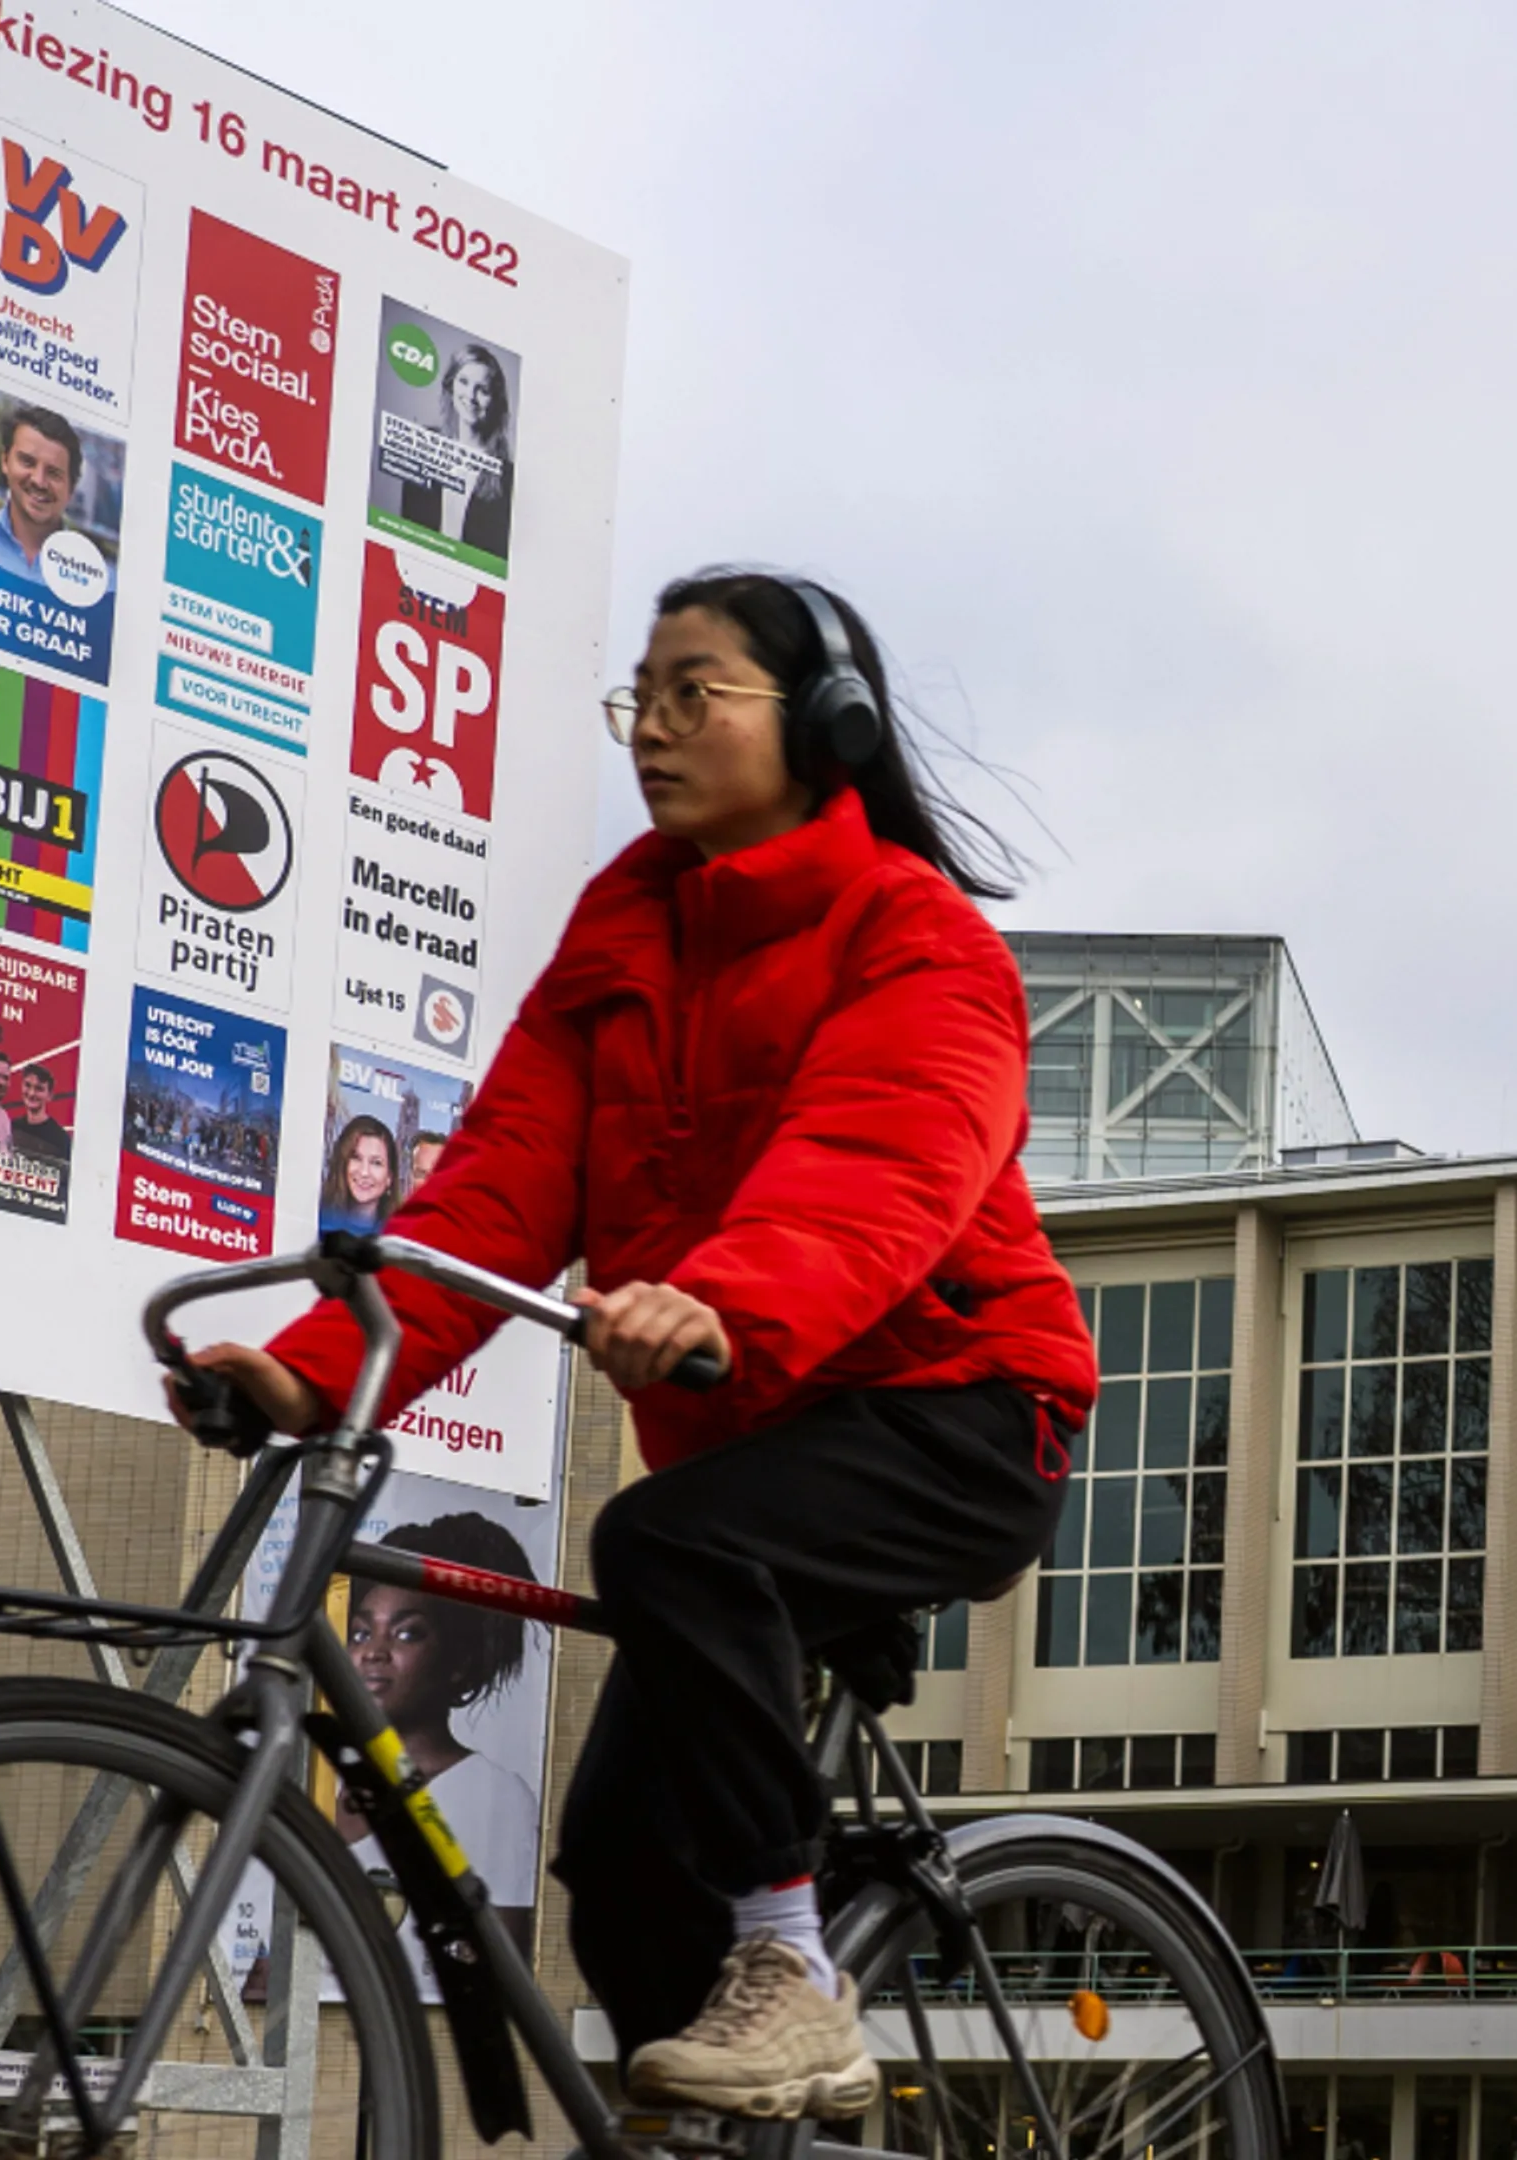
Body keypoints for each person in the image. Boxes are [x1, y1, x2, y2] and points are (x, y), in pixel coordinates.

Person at [171, 571, 1091, 2121]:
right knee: (617, 1866)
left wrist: (727, 1301)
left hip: (959, 1410)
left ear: (825, 723)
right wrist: (315, 1369)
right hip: (761, 1437)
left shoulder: (916, 937)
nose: (651, 729)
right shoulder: (629, 929)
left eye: (692, 694)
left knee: (665, 1540)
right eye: (639, 699)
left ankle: (793, 1972)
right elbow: (500, 1187)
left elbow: (878, 1163)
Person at [337, 1512, 544, 1964]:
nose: (374, 1652)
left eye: (407, 1633)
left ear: (459, 1662)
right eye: (360, 1632)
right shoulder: (319, 1776)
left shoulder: (494, 1796)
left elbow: (497, 1972)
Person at [394, 343, 514, 558]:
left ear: (495, 400)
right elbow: (406, 530)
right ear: (451, 385)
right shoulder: (424, 446)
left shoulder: (507, 477)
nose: (471, 395)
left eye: (483, 390)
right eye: (464, 382)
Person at [0, 406, 86, 586]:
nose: (39, 481)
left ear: (71, 488)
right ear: (5, 461)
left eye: (53, 473)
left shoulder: (96, 583)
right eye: (27, 462)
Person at [318, 1115, 397, 1233]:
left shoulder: (398, 1235)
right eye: (356, 1158)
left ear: (389, 1177)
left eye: (376, 1163)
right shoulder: (315, 1218)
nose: (364, 1172)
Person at [9, 1065, 71, 1169]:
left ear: (50, 1095)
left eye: (39, 1089)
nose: (31, 1093)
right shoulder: (11, 1128)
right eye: (27, 1085)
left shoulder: (60, 1139)